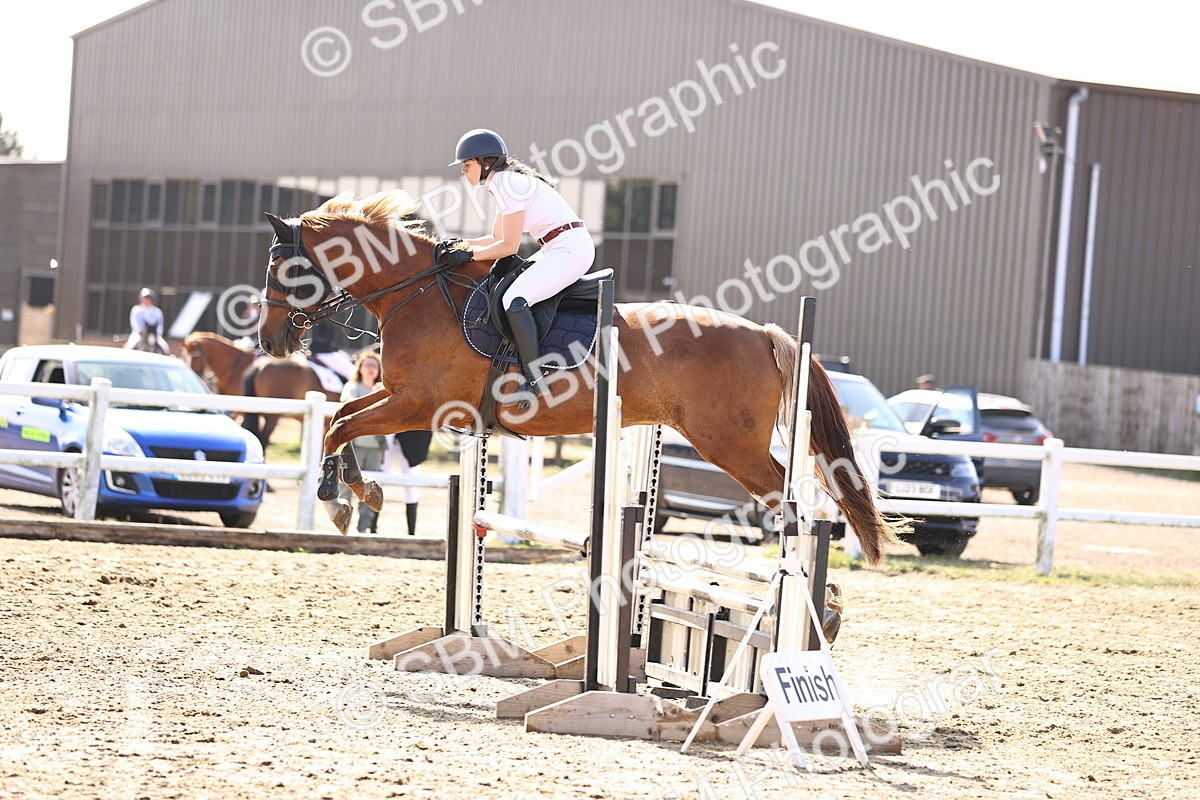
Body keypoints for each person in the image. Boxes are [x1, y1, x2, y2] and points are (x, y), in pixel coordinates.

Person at [442, 128, 596, 400]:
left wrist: (467, 257)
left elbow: (508, 247)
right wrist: (458, 245)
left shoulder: (506, 184)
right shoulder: (502, 183)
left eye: (467, 165)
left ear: (485, 163)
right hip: (557, 247)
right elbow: (494, 238)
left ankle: (535, 379)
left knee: (515, 299)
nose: (463, 172)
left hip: (571, 249)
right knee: (509, 290)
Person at [338, 351, 388, 533]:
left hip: (375, 446)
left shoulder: (383, 389)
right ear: (360, 368)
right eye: (367, 365)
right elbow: (349, 404)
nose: (370, 369)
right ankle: (343, 525)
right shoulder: (353, 386)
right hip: (355, 444)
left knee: (371, 488)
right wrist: (374, 397)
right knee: (346, 485)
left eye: (374, 366)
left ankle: (363, 528)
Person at [383, 429, 433, 536]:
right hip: (387, 430)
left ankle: (411, 532)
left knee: (411, 483)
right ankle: (372, 528)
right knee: (381, 477)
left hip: (410, 433)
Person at [127, 287, 168, 354]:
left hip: (154, 334)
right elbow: (135, 323)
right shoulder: (136, 310)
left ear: (152, 300)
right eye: (145, 299)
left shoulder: (157, 312)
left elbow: (160, 325)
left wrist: (158, 334)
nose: (146, 301)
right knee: (130, 346)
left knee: (165, 348)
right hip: (139, 334)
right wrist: (142, 332)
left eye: (148, 299)